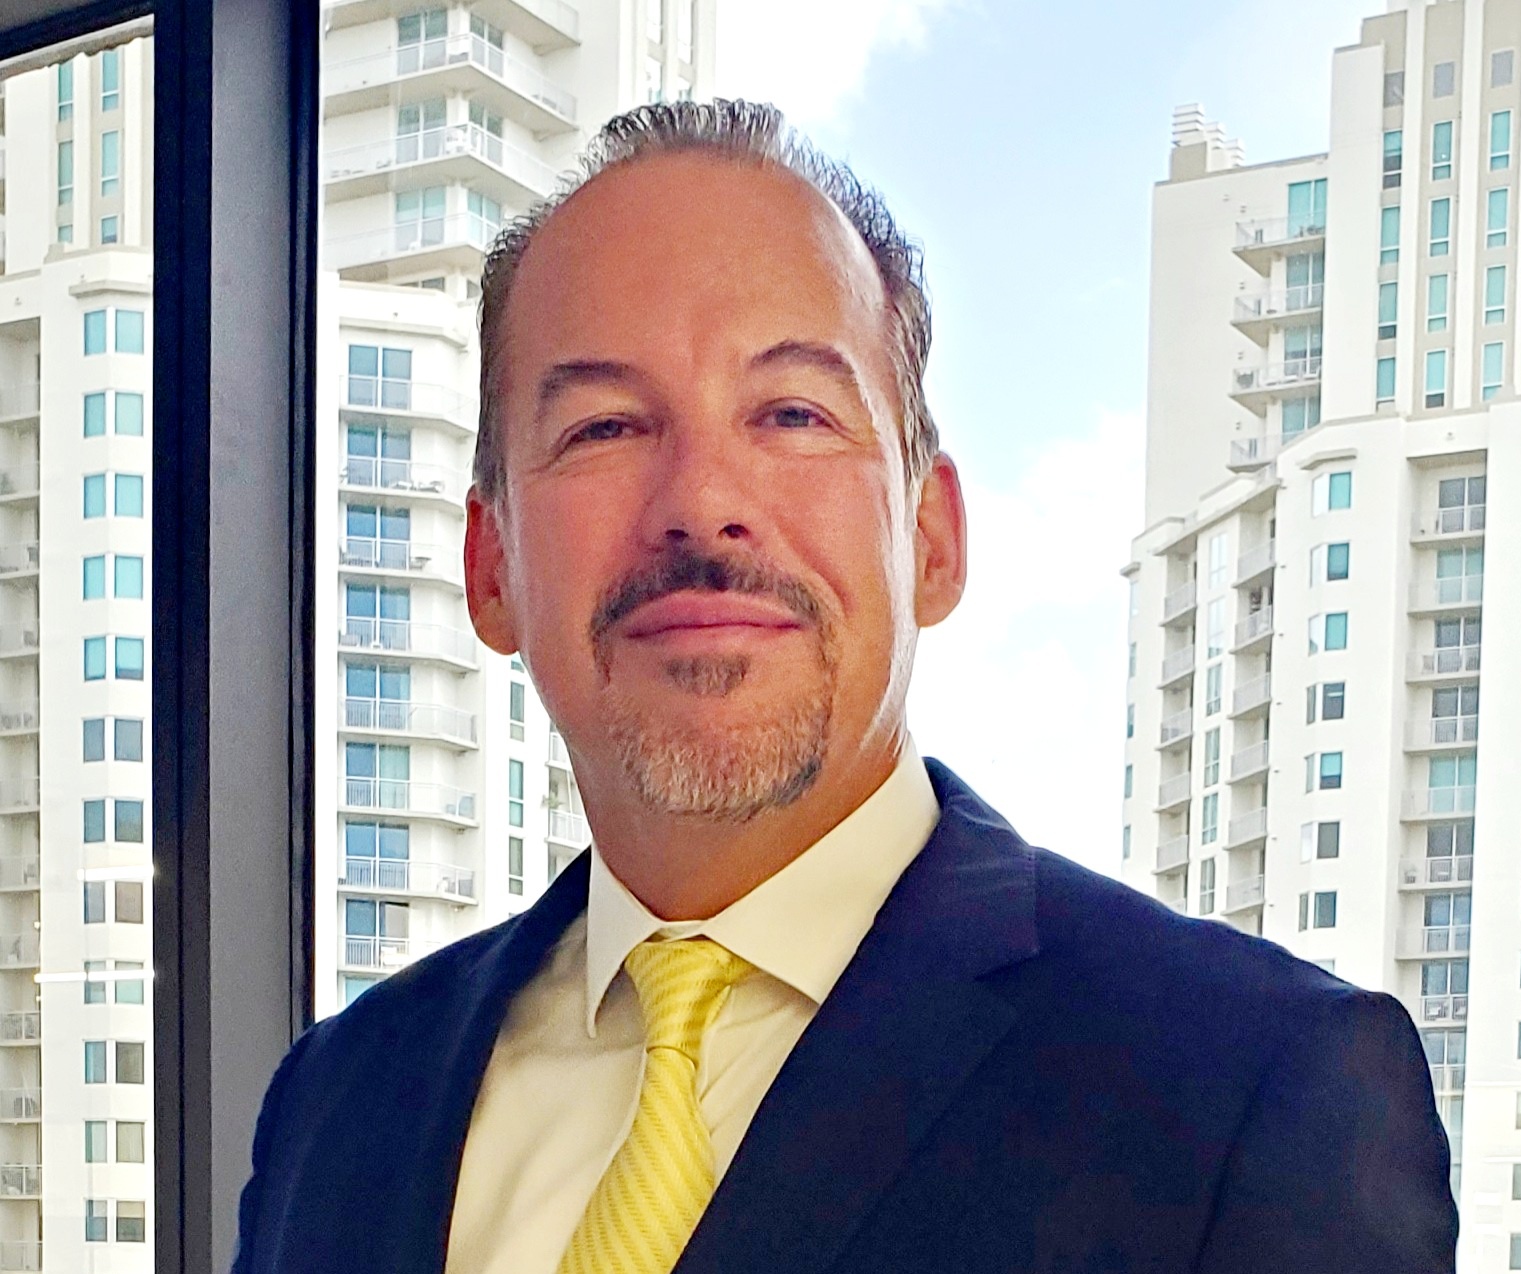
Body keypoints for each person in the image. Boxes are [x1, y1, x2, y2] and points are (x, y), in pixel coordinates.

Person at [232, 100, 1458, 1274]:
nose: (700, 501)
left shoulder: (1246, 1090)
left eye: (791, 412)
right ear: (489, 566)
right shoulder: (338, 1101)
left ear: (931, 538)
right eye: (603, 426)